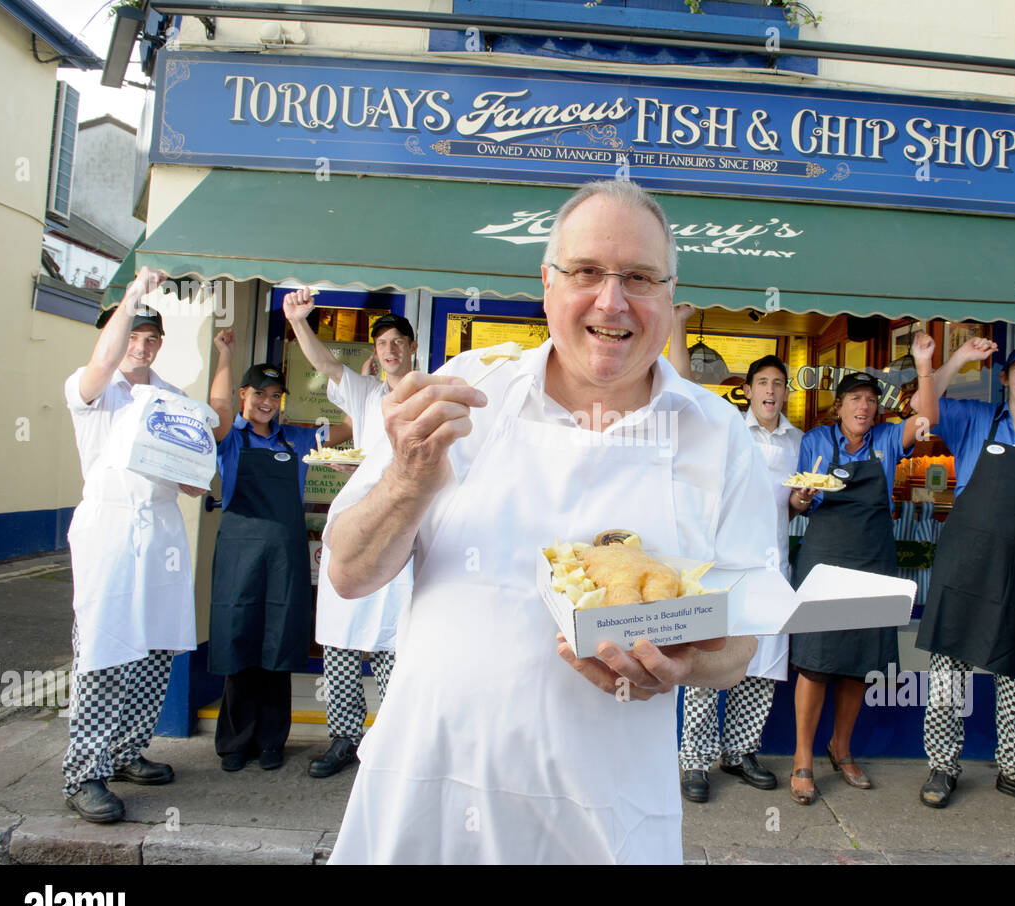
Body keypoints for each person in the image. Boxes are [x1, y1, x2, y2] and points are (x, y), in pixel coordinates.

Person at [323, 179, 776, 864]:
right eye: (588, 271)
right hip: (426, 806)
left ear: (671, 294)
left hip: (604, 823)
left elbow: (740, 636)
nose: (612, 300)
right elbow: (350, 572)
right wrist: (407, 479)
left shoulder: (717, 434)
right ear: (547, 283)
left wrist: (683, 661)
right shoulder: (467, 391)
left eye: (640, 277)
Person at [61, 266, 202, 823]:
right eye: (131, 337)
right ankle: (84, 773)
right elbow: (102, 360)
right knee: (103, 647)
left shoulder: (171, 398)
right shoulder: (92, 390)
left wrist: (198, 468)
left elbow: (192, 478)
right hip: (110, 531)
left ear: (161, 345)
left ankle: (125, 750)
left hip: (163, 528)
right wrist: (133, 296)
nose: (139, 348)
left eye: (150, 339)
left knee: (155, 648)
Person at [910, 340, 1015, 811]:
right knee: (946, 677)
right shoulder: (979, 419)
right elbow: (926, 408)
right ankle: (942, 766)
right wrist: (952, 360)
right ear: (1004, 379)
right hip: (964, 562)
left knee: (1014, 674)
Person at [788, 343, 936, 804]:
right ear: (839, 406)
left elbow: (925, 417)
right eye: (855, 398)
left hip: (873, 558)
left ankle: (842, 747)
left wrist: (927, 365)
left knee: (858, 664)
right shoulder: (814, 441)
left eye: (871, 400)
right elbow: (796, 501)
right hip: (824, 556)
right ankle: (802, 757)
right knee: (815, 662)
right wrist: (805, 498)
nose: (864, 406)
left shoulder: (890, 440)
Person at [280, 292, 416, 778]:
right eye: (383, 343)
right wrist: (298, 321)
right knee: (341, 634)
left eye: (398, 341)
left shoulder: (427, 398)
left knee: (393, 639)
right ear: (375, 352)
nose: (390, 350)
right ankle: (344, 737)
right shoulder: (366, 395)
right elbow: (323, 362)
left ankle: (392, 740)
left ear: (413, 347)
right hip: (354, 523)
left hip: (402, 531)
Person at [206, 331, 352, 772]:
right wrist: (226, 355)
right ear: (244, 396)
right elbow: (218, 409)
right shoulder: (231, 439)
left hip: (284, 557)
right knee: (239, 641)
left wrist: (357, 385)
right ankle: (235, 742)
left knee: (278, 645)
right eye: (259, 394)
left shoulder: (297, 440)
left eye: (275, 394)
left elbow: (347, 428)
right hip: (238, 554)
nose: (268, 402)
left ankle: (272, 740)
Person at [674, 354, 805, 801]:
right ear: (747, 390)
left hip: (772, 567)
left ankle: (740, 751)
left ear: (787, 392)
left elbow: (793, 502)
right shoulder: (726, 430)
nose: (771, 391)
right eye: (763, 382)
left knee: (762, 664)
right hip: (724, 566)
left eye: (779, 383)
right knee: (708, 658)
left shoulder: (799, 442)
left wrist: (802, 502)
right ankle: (694, 759)